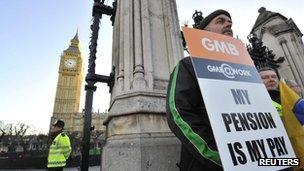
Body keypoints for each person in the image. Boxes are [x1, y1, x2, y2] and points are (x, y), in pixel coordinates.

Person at [166, 9, 232, 171]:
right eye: (220, 21)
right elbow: (179, 112)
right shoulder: (189, 65)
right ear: (205, 32)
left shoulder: (246, 70)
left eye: (230, 22)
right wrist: (218, 156)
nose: (228, 24)